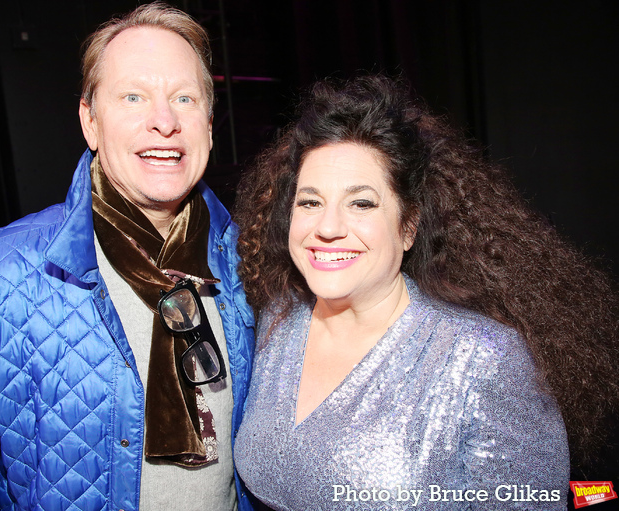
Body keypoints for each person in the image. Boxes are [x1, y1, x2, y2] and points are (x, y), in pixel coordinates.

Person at [0, 3, 254, 510]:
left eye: (183, 98)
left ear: (209, 125)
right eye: (133, 97)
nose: (163, 121)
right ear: (90, 122)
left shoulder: (258, 266)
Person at [232, 74, 618, 510]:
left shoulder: (484, 359)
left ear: (409, 225)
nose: (327, 228)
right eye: (310, 201)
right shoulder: (278, 319)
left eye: (361, 203)